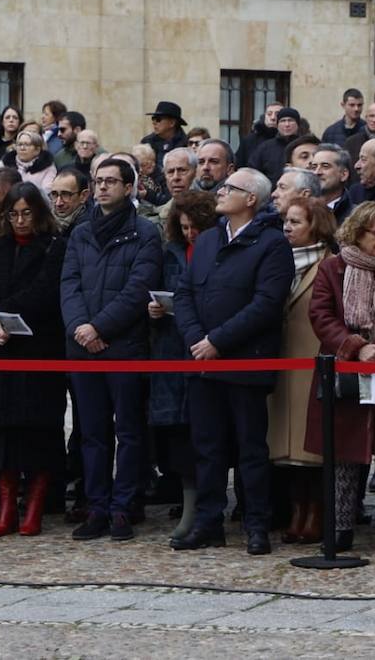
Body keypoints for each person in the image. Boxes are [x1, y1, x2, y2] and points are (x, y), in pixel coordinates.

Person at [174, 167, 292, 555]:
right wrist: (196, 339)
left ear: (251, 199)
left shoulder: (272, 243)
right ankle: (209, 522)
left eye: (230, 188)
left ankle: (256, 524)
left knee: (250, 449)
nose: (220, 192)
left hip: (245, 363)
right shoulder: (208, 240)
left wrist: (218, 342)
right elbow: (186, 291)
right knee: (206, 446)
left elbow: (266, 304)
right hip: (203, 361)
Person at [305, 201, 375, 557]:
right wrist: (355, 346)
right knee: (343, 454)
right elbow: (321, 314)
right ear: (358, 233)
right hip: (345, 368)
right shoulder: (333, 269)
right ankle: (339, 528)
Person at [61, 158, 162, 542]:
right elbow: (69, 285)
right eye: (98, 181)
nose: (103, 188)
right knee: (93, 432)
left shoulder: (144, 233)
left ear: (129, 187)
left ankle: (124, 506)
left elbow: (139, 287)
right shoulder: (82, 233)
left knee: (130, 431)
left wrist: (99, 326)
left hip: (125, 345)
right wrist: (81, 329)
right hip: (83, 348)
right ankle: (97, 505)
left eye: (111, 182)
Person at [0, 183, 67, 537]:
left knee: (37, 430)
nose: (20, 220)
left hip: (37, 348)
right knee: (2, 433)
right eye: (14, 214)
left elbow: (45, 290)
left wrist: (5, 314)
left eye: (27, 213)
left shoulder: (52, 247)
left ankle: (35, 505)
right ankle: (7, 505)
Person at [147, 192, 218, 545]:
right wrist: (157, 309)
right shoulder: (171, 252)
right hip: (172, 352)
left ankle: (209, 512)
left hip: (208, 348)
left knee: (207, 436)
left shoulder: (218, 250)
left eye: (196, 228)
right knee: (178, 438)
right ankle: (190, 506)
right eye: (185, 227)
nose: (190, 234)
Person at [272, 197, 336, 547]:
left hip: (314, 359)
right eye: (286, 221)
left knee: (314, 449)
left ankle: (317, 513)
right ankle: (297, 511)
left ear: (316, 225)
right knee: (288, 450)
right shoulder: (279, 261)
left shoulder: (331, 263)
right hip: (284, 362)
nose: (287, 228)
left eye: (295, 222)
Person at [248, 106, 300, 184]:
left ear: (297, 124)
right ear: (277, 125)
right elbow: (253, 172)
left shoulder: (304, 145)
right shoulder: (265, 147)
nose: (287, 124)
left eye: (290, 120)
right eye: (283, 121)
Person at [3, 129, 56, 196]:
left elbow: (47, 191)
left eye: (26, 145)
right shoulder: (6, 163)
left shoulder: (48, 167)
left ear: (37, 149)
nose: (22, 148)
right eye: (19, 144)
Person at [309, 144, 352, 222]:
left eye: (325, 166)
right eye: (314, 167)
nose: (317, 172)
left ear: (343, 174)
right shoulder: (300, 210)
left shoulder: (355, 217)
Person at [49, 167, 90, 236]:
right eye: (54, 194)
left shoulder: (90, 228)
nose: (58, 203)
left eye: (66, 194)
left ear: (83, 196)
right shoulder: (44, 225)